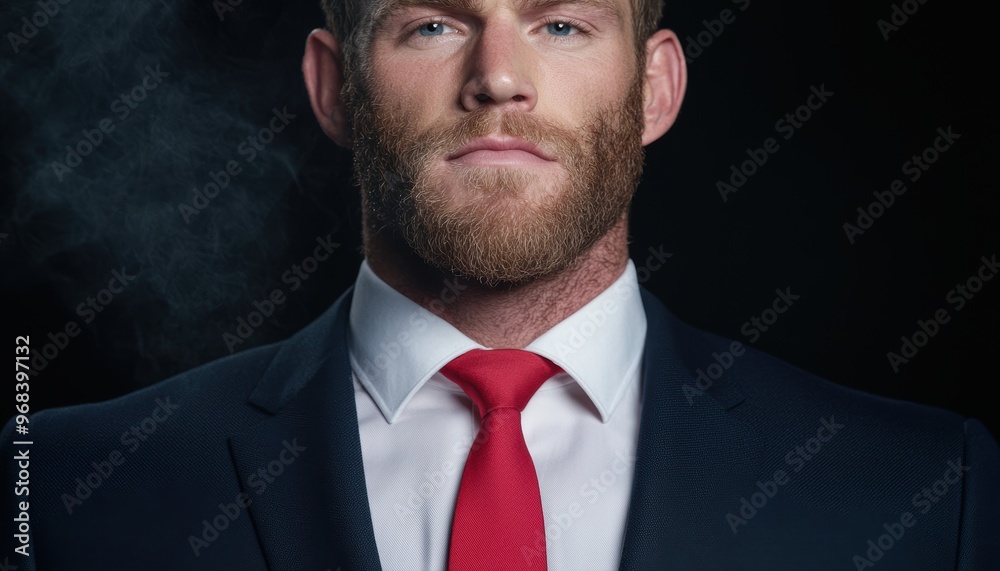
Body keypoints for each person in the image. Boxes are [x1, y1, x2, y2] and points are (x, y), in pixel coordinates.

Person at [3, 0, 998, 569]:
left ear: (653, 87)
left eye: (560, 23)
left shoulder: (919, 495)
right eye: (433, 23)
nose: (498, 76)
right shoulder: (54, 491)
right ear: (333, 86)